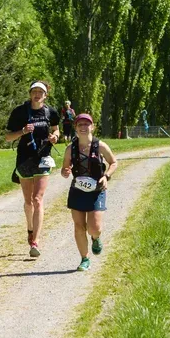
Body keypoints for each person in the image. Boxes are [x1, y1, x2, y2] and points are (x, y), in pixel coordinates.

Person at [5, 81, 60, 257]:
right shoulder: (19, 112)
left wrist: (55, 137)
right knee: (28, 201)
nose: (37, 94)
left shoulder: (51, 112)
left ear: (45, 95)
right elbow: (7, 137)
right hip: (24, 159)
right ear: (30, 94)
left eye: (40, 92)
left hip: (43, 158)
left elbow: (56, 129)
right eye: (34, 91)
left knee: (38, 199)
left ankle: (35, 241)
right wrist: (22, 131)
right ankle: (30, 228)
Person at [61, 113, 117, 271]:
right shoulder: (70, 148)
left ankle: (95, 237)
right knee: (79, 227)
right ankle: (84, 259)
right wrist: (65, 171)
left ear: (92, 127)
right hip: (77, 190)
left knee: (94, 228)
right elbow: (64, 168)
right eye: (80, 125)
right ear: (76, 128)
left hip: (96, 190)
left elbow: (114, 163)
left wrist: (106, 176)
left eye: (87, 124)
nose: (83, 127)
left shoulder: (100, 146)